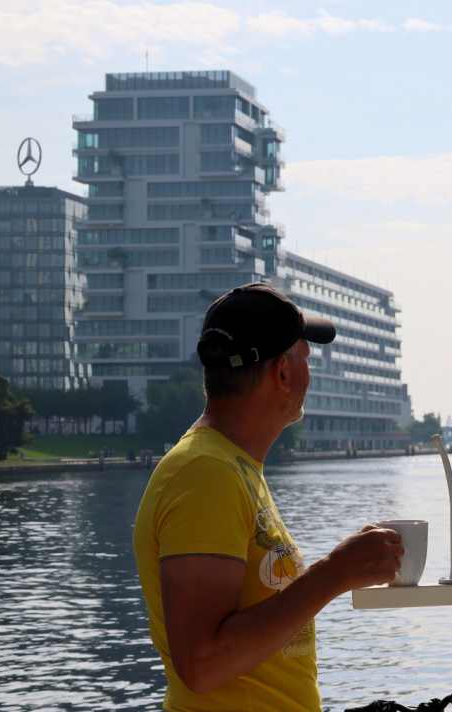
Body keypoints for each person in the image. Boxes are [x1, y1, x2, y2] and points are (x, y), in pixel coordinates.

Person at [133, 283, 404, 711]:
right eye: (307, 358)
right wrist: (336, 573)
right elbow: (203, 664)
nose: (311, 373)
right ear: (283, 373)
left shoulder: (231, 467)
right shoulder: (205, 474)